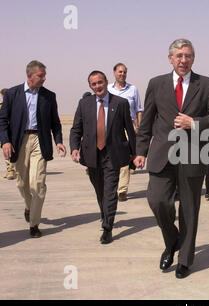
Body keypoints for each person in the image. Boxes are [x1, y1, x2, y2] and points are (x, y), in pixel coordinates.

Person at [133, 39, 209, 279]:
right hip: (162, 154)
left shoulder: (206, 85)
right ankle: (172, 240)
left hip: (193, 154)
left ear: (193, 58)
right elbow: (147, 122)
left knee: (189, 210)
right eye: (178, 56)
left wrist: (193, 123)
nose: (183, 60)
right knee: (157, 201)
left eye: (187, 56)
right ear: (170, 59)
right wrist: (140, 150)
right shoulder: (156, 84)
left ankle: (185, 259)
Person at [0, 60, 66, 238]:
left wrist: (58, 140)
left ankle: (34, 224)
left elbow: (55, 122)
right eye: (40, 75)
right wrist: (5, 141)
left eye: (44, 75)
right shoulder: (13, 94)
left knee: (38, 185)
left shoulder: (48, 96)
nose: (44, 79)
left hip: (40, 140)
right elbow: (3, 120)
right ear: (30, 76)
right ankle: (29, 207)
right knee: (22, 183)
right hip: (18, 141)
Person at [70, 70, 136, 244]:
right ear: (90, 86)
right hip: (91, 154)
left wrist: (134, 153)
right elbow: (76, 128)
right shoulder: (84, 104)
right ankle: (104, 212)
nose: (98, 86)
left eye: (100, 82)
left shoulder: (120, 103)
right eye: (94, 84)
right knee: (99, 189)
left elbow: (129, 129)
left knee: (110, 191)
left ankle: (108, 227)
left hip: (113, 154)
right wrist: (74, 148)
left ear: (106, 82)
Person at [108, 63, 143, 201]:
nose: (122, 74)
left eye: (125, 72)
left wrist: (138, 126)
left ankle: (122, 190)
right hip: (112, 128)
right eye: (120, 72)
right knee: (111, 157)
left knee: (125, 157)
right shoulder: (108, 89)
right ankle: (111, 187)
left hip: (128, 127)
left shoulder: (133, 89)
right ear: (114, 73)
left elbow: (138, 109)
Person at [1, 88, 17, 180]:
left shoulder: (15, 105)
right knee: (6, 151)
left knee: (12, 151)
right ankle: (10, 170)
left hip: (13, 132)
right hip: (4, 132)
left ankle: (12, 170)